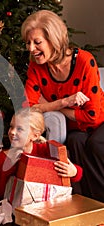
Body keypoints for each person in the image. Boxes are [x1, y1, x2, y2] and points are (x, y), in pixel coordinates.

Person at [21, 9, 104, 202]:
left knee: (95, 144)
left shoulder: (84, 61)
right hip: (76, 127)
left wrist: (47, 104)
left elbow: (92, 115)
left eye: (37, 42)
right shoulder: (36, 67)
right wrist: (64, 103)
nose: (31, 48)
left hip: (101, 121)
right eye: (28, 42)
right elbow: (27, 108)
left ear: (54, 40)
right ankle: (89, 204)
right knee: (74, 143)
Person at [0, 107, 82, 199]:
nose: (12, 132)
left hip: (45, 203)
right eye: (11, 127)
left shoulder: (45, 150)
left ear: (35, 136)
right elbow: (0, 192)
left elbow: (77, 173)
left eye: (20, 129)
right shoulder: (1, 158)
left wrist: (74, 172)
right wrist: (10, 166)